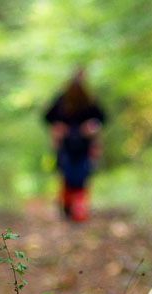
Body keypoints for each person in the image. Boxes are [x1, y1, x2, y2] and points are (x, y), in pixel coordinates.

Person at [44, 69, 106, 222]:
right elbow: (47, 116)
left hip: (85, 146)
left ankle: (79, 210)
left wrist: (92, 127)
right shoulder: (61, 99)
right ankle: (66, 207)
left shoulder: (90, 99)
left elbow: (102, 118)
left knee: (82, 177)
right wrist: (57, 127)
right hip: (65, 146)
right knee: (67, 176)